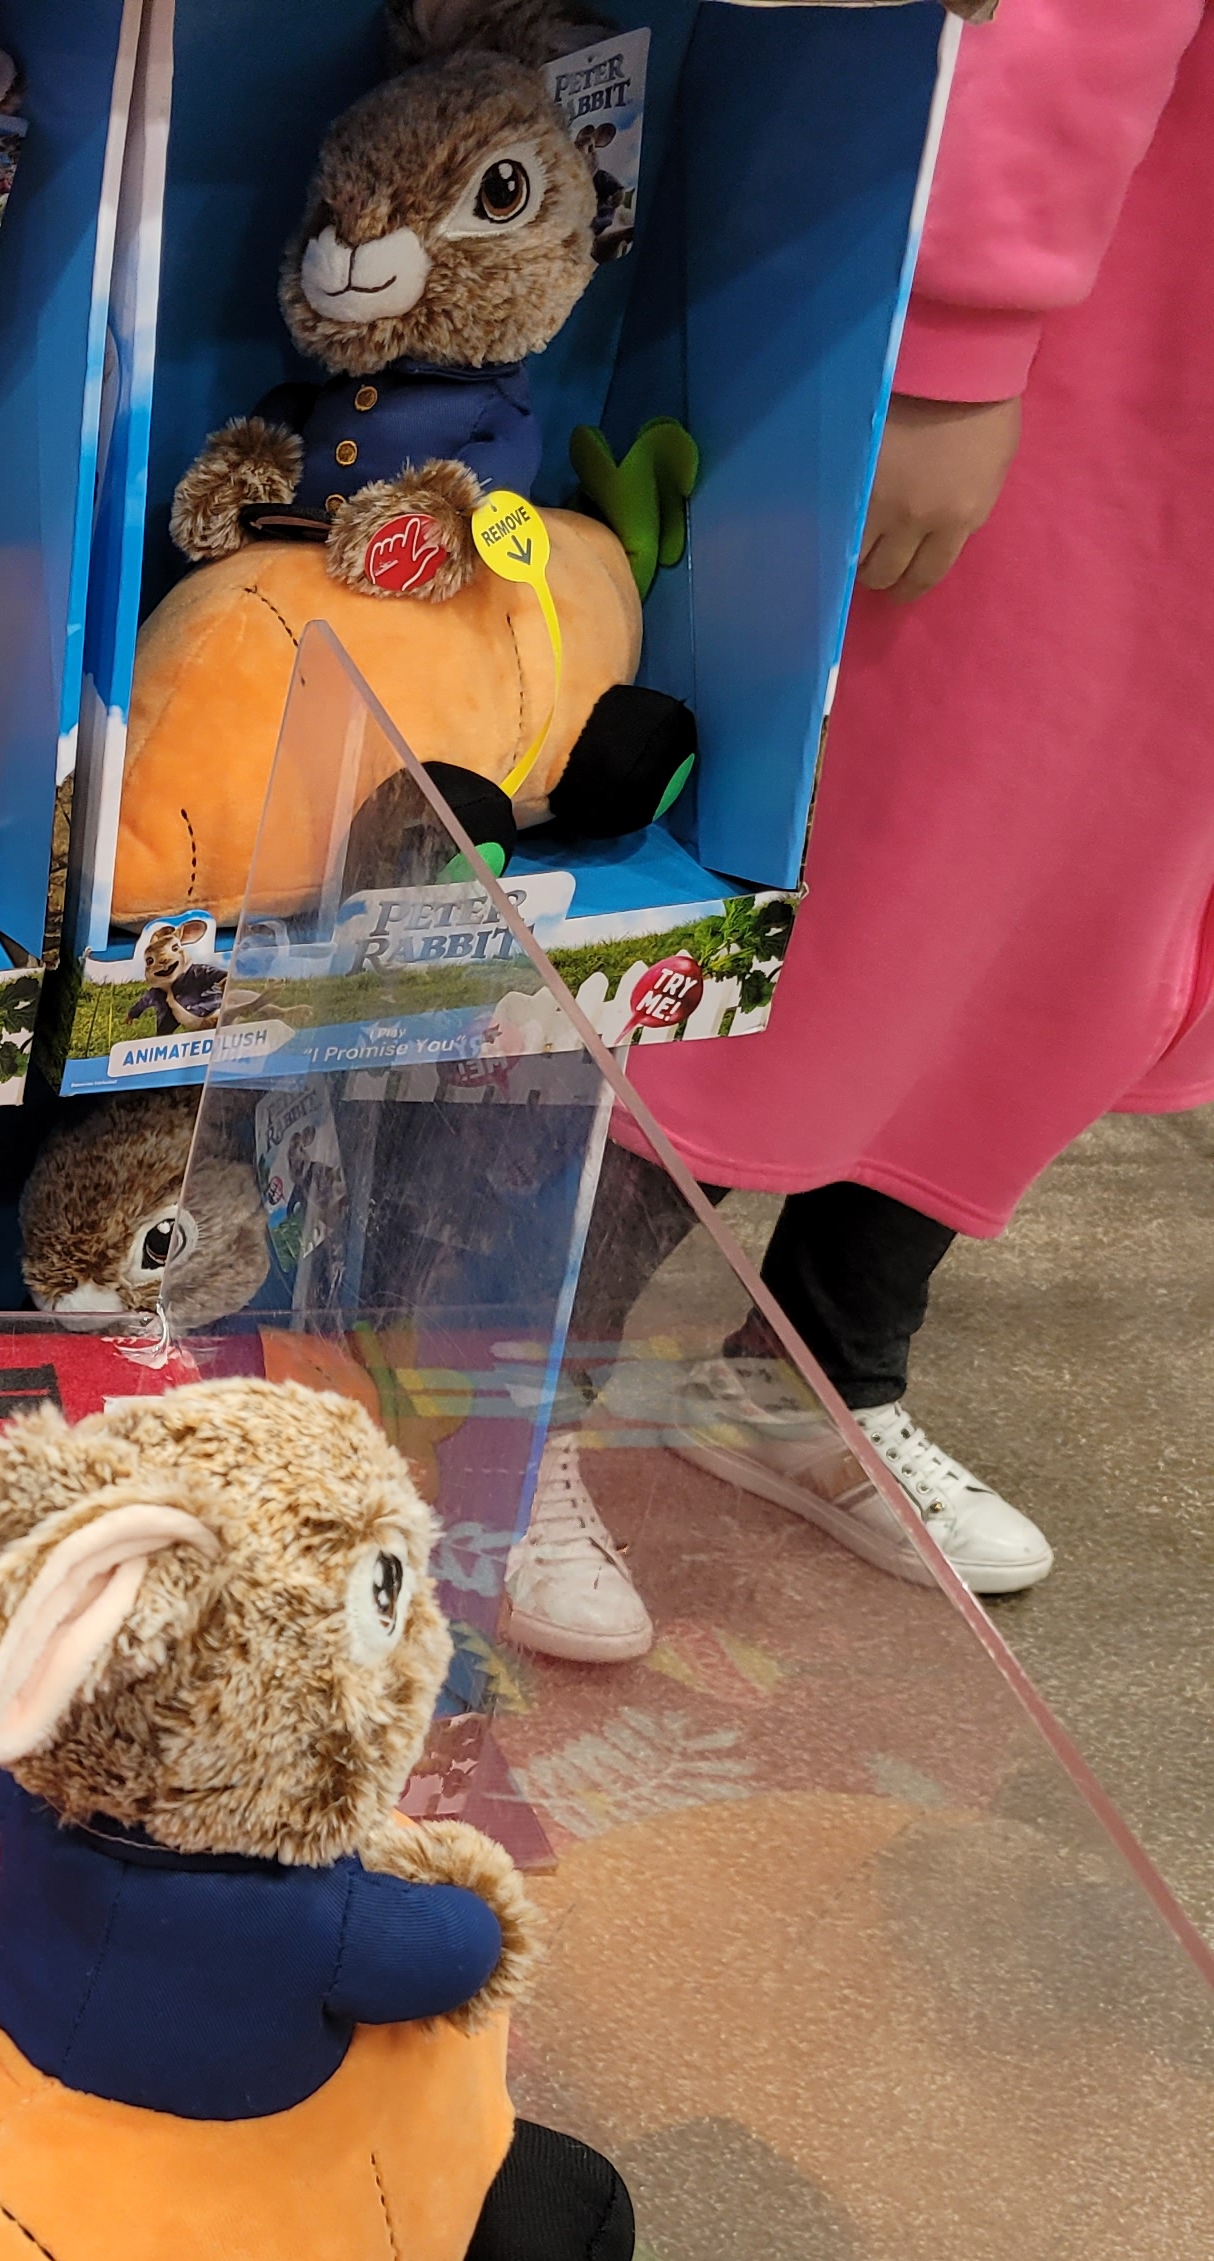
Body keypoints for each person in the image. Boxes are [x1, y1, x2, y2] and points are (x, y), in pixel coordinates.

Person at [505, 0, 1214, 1665]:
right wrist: (962, 339)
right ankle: (500, 1408)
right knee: (866, 892)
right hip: (1108, 344)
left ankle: (812, 1374)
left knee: (1075, 929)